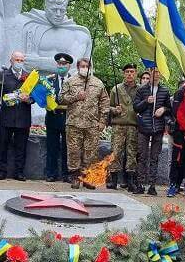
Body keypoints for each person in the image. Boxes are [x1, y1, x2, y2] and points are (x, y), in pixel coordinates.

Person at [61, 57, 110, 189]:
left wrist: (102, 121)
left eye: (87, 66)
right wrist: (76, 97)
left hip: (92, 124)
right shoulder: (70, 81)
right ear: (77, 67)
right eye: (82, 66)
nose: (84, 68)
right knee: (73, 151)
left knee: (91, 152)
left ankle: (88, 178)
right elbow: (61, 99)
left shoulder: (98, 83)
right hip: (74, 123)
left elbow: (105, 103)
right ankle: (75, 177)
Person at [0, 51, 33, 181]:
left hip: (23, 116)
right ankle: (1, 171)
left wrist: (29, 99)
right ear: (11, 61)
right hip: (6, 116)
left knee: (21, 146)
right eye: (17, 60)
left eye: (21, 60)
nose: (19, 62)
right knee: (3, 145)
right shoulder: (3, 75)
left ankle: (19, 172)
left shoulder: (29, 77)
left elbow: (34, 97)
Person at [133, 67, 171, 195]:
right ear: (150, 73)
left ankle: (152, 186)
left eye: (158, 72)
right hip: (144, 127)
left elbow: (170, 109)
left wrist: (163, 109)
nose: (156, 74)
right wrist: (146, 101)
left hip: (158, 128)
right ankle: (140, 184)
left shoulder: (164, 90)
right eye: (154, 72)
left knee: (154, 157)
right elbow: (136, 108)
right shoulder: (141, 89)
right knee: (142, 156)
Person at [108, 63, 138, 192]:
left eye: (132, 71)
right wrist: (115, 109)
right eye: (127, 72)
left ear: (136, 73)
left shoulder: (140, 89)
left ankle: (130, 180)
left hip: (133, 125)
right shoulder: (116, 89)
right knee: (116, 152)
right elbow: (108, 107)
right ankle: (114, 180)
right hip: (118, 125)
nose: (129, 74)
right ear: (123, 74)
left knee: (132, 152)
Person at [45, 52, 72, 182]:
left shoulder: (74, 81)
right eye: (59, 63)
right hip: (52, 117)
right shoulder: (49, 80)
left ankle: (66, 174)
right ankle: (51, 173)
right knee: (52, 147)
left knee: (67, 148)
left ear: (69, 65)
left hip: (68, 117)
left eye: (64, 64)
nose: (61, 66)